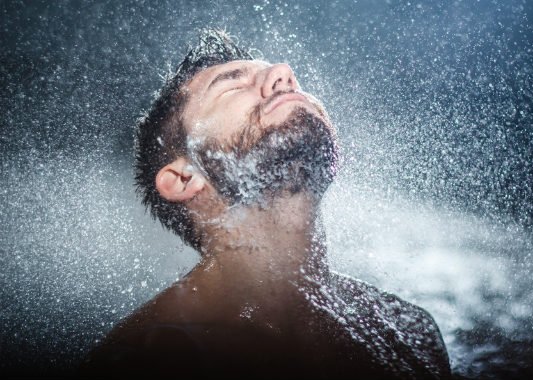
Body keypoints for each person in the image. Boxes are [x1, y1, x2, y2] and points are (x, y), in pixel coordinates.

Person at [84, 28, 451, 379]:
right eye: (231, 85)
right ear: (184, 177)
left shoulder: (408, 332)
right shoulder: (148, 361)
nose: (284, 74)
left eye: (286, 77)